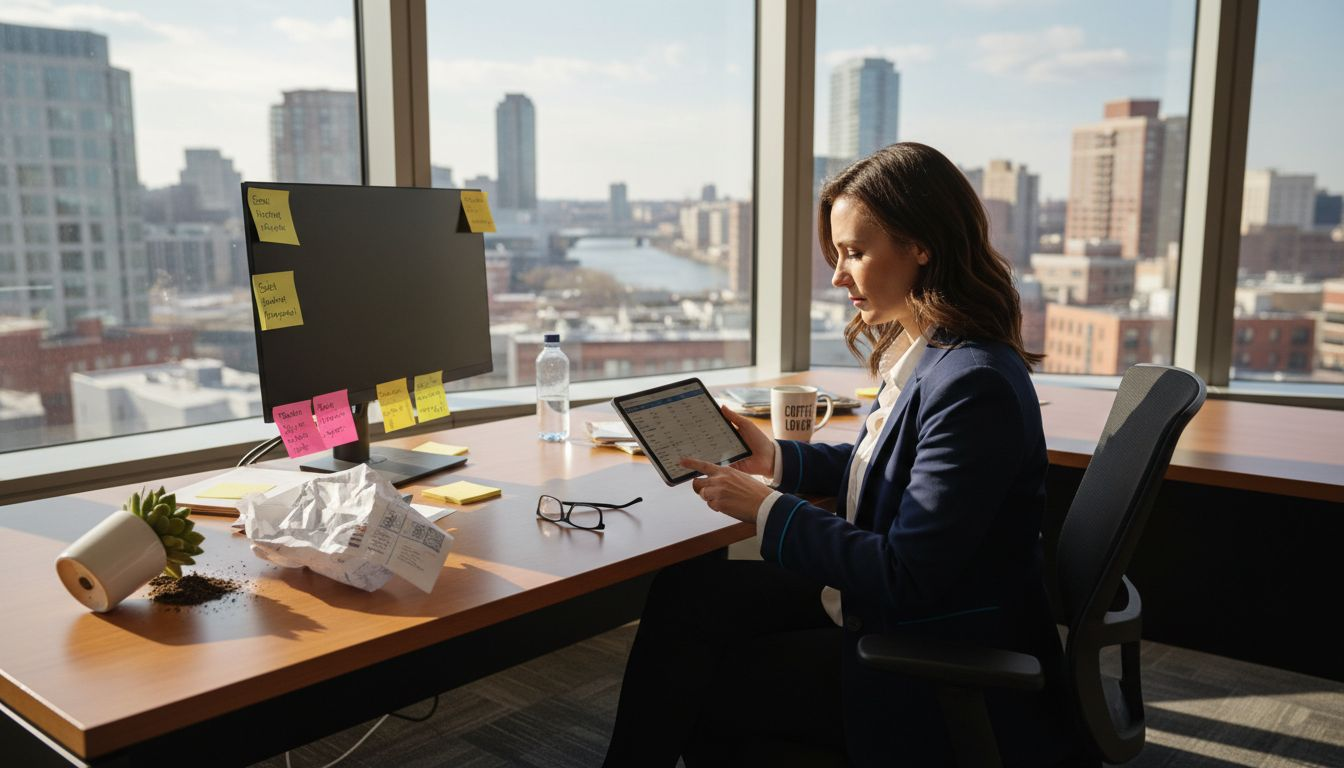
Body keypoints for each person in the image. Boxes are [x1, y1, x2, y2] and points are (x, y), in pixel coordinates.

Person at [603, 142, 1079, 767]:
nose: (837, 275)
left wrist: (767, 510)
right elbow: (882, 468)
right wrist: (774, 458)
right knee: (690, 591)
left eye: (855, 252)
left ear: (921, 245)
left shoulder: (973, 383)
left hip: (928, 643)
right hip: (886, 604)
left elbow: (906, 574)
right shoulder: (931, 352)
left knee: (699, 678)